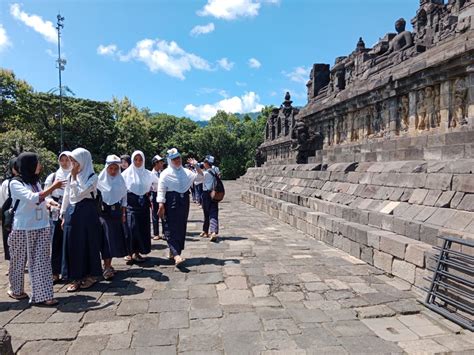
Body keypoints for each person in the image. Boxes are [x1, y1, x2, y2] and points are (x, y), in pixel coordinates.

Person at [8, 152, 64, 305]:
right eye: (37, 162)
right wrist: (54, 187)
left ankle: (44, 295)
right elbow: (32, 198)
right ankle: (16, 289)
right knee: (18, 261)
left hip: (41, 225)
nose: (40, 165)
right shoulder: (15, 183)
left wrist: (49, 202)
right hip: (23, 228)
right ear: (29, 165)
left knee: (42, 261)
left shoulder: (35, 182)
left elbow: (41, 198)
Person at [60, 148, 102, 292]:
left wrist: (73, 178)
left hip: (87, 212)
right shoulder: (71, 176)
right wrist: (63, 213)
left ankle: (91, 275)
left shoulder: (92, 177)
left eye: (75, 161)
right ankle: (75, 277)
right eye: (71, 161)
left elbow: (80, 193)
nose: (73, 164)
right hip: (73, 212)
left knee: (88, 243)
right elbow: (67, 195)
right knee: (73, 244)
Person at [157, 148, 203, 266]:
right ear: (169, 160)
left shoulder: (186, 172)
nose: (176, 161)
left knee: (181, 227)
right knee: (170, 227)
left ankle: (175, 251)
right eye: (174, 159)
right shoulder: (165, 174)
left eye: (178, 158)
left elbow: (200, 178)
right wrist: (161, 204)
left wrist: (196, 165)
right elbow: (161, 189)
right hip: (170, 201)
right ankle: (177, 255)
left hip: (183, 201)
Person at [122, 151, 157, 264]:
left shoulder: (148, 174)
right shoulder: (125, 174)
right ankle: (129, 253)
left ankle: (137, 253)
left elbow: (158, 184)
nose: (138, 162)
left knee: (141, 229)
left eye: (140, 159)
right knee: (131, 228)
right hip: (130, 204)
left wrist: (152, 191)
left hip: (143, 205)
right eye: (136, 159)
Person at [97, 155, 128, 280]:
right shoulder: (99, 181)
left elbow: (124, 198)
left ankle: (108, 264)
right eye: (111, 168)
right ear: (106, 168)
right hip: (103, 214)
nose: (113, 171)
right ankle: (107, 266)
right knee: (106, 239)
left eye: (116, 168)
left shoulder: (121, 181)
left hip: (116, 213)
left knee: (113, 239)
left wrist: (124, 213)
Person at [44, 151, 71, 283]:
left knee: (70, 240)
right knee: (55, 241)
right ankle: (54, 271)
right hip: (56, 209)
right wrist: (51, 203)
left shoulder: (75, 175)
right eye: (62, 160)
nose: (65, 163)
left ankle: (69, 270)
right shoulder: (53, 176)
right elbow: (46, 194)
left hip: (70, 209)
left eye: (67, 160)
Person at [1, 157, 18, 261]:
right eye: (15, 167)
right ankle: (11, 262)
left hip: (22, 213)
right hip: (9, 214)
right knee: (8, 238)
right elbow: (2, 200)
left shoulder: (29, 181)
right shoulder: (6, 183)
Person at [200, 156, 220, 242]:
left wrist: (195, 166)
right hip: (214, 193)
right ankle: (209, 231)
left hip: (207, 194)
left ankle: (209, 231)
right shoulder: (215, 170)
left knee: (208, 213)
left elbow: (199, 174)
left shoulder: (206, 173)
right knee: (212, 212)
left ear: (206, 163)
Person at [150, 155, 165, 241]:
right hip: (155, 194)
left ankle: (164, 232)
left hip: (162, 194)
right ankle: (156, 233)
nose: (162, 163)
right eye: (160, 162)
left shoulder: (163, 173)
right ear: (156, 163)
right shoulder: (151, 174)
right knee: (155, 214)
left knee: (163, 214)